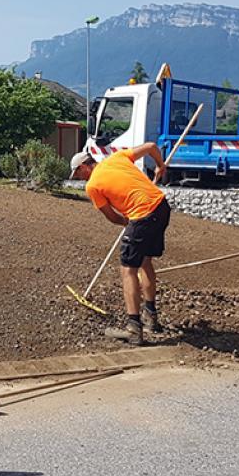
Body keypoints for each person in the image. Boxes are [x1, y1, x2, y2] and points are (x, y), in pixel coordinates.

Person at [69, 144, 171, 345]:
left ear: (84, 166)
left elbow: (111, 216)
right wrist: (160, 165)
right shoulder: (117, 158)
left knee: (128, 270)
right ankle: (150, 317)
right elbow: (151, 146)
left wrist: (128, 222)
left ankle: (133, 328)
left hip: (142, 215)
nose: (80, 179)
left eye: (78, 174)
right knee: (145, 262)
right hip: (161, 208)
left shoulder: (93, 185)